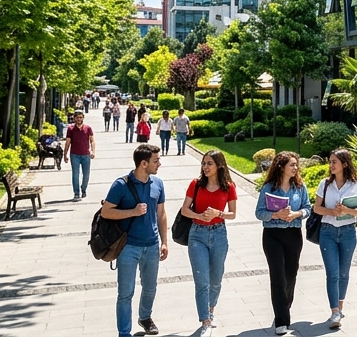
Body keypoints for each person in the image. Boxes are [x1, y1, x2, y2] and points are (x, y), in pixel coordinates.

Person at [102, 144, 168, 337]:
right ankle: (124, 332)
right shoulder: (121, 185)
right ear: (143, 163)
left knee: (150, 288)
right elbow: (106, 212)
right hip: (128, 247)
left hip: (152, 245)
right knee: (125, 293)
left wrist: (164, 241)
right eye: (156, 161)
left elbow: (161, 215)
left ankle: (145, 318)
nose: (159, 164)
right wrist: (133, 211)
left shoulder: (158, 184)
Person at [182, 150, 238, 337]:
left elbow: (232, 214)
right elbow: (184, 210)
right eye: (204, 163)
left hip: (219, 234)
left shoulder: (228, 187)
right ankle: (205, 320)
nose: (205, 167)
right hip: (197, 234)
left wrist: (218, 214)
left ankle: (211, 309)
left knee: (216, 279)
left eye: (209, 164)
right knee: (202, 280)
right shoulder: (196, 185)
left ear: (219, 166)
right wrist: (198, 216)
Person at [255, 151, 311, 336]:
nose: (295, 168)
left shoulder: (300, 187)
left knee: (291, 275)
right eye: (292, 165)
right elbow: (259, 212)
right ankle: (281, 320)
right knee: (277, 276)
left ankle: (283, 308)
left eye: (296, 165)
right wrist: (275, 214)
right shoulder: (269, 188)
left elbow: (307, 208)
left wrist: (296, 214)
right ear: (281, 167)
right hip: (272, 235)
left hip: (293, 234)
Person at [312, 149, 357, 330]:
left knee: (344, 273)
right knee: (332, 274)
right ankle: (334, 311)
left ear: (344, 163)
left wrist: (346, 210)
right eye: (330, 161)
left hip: (348, 232)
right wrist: (331, 211)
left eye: (334, 161)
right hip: (327, 232)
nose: (331, 165)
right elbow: (316, 208)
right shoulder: (325, 184)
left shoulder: (355, 185)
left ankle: (340, 306)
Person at [63, 110, 96, 200]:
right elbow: (68, 142)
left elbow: (92, 140)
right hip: (74, 155)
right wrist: (65, 154)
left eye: (81, 117)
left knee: (86, 175)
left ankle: (83, 189)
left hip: (86, 155)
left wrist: (93, 151)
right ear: (74, 118)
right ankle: (76, 193)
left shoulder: (88, 128)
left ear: (83, 118)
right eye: (77, 117)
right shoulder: (70, 129)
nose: (79, 119)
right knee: (75, 174)